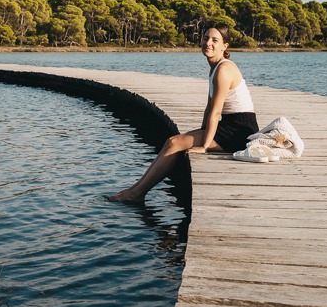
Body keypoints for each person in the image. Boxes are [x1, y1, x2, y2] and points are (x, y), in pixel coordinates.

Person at [107, 24, 259, 203]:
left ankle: (137, 193)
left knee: (174, 143)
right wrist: (201, 132)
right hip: (230, 124)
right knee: (171, 141)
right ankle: (135, 189)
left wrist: (204, 145)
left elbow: (216, 111)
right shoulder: (215, 68)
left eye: (214, 40)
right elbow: (209, 108)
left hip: (240, 129)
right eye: (205, 38)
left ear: (225, 46)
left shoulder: (224, 70)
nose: (208, 43)